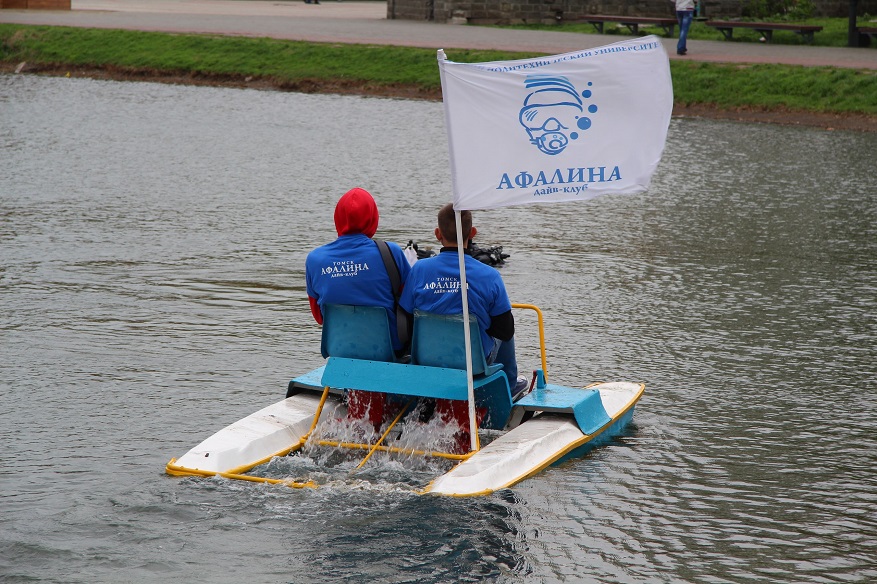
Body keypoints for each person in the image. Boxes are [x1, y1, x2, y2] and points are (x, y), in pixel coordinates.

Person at [399, 204, 528, 440]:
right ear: (473, 233)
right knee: (503, 330)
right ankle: (511, 387)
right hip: (472, 363)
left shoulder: (419, 270)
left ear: (437, 234)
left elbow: (405, 316)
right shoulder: (490, 276)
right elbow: (505, 329)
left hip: (428, 358)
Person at [305, 187, 411, 431]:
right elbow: (411, 303)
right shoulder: (391, 252)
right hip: (388, 351)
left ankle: (362, 416)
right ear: (373, 219)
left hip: (341, 349)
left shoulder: (315, 259)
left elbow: (320, 317)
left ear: (337, 219)